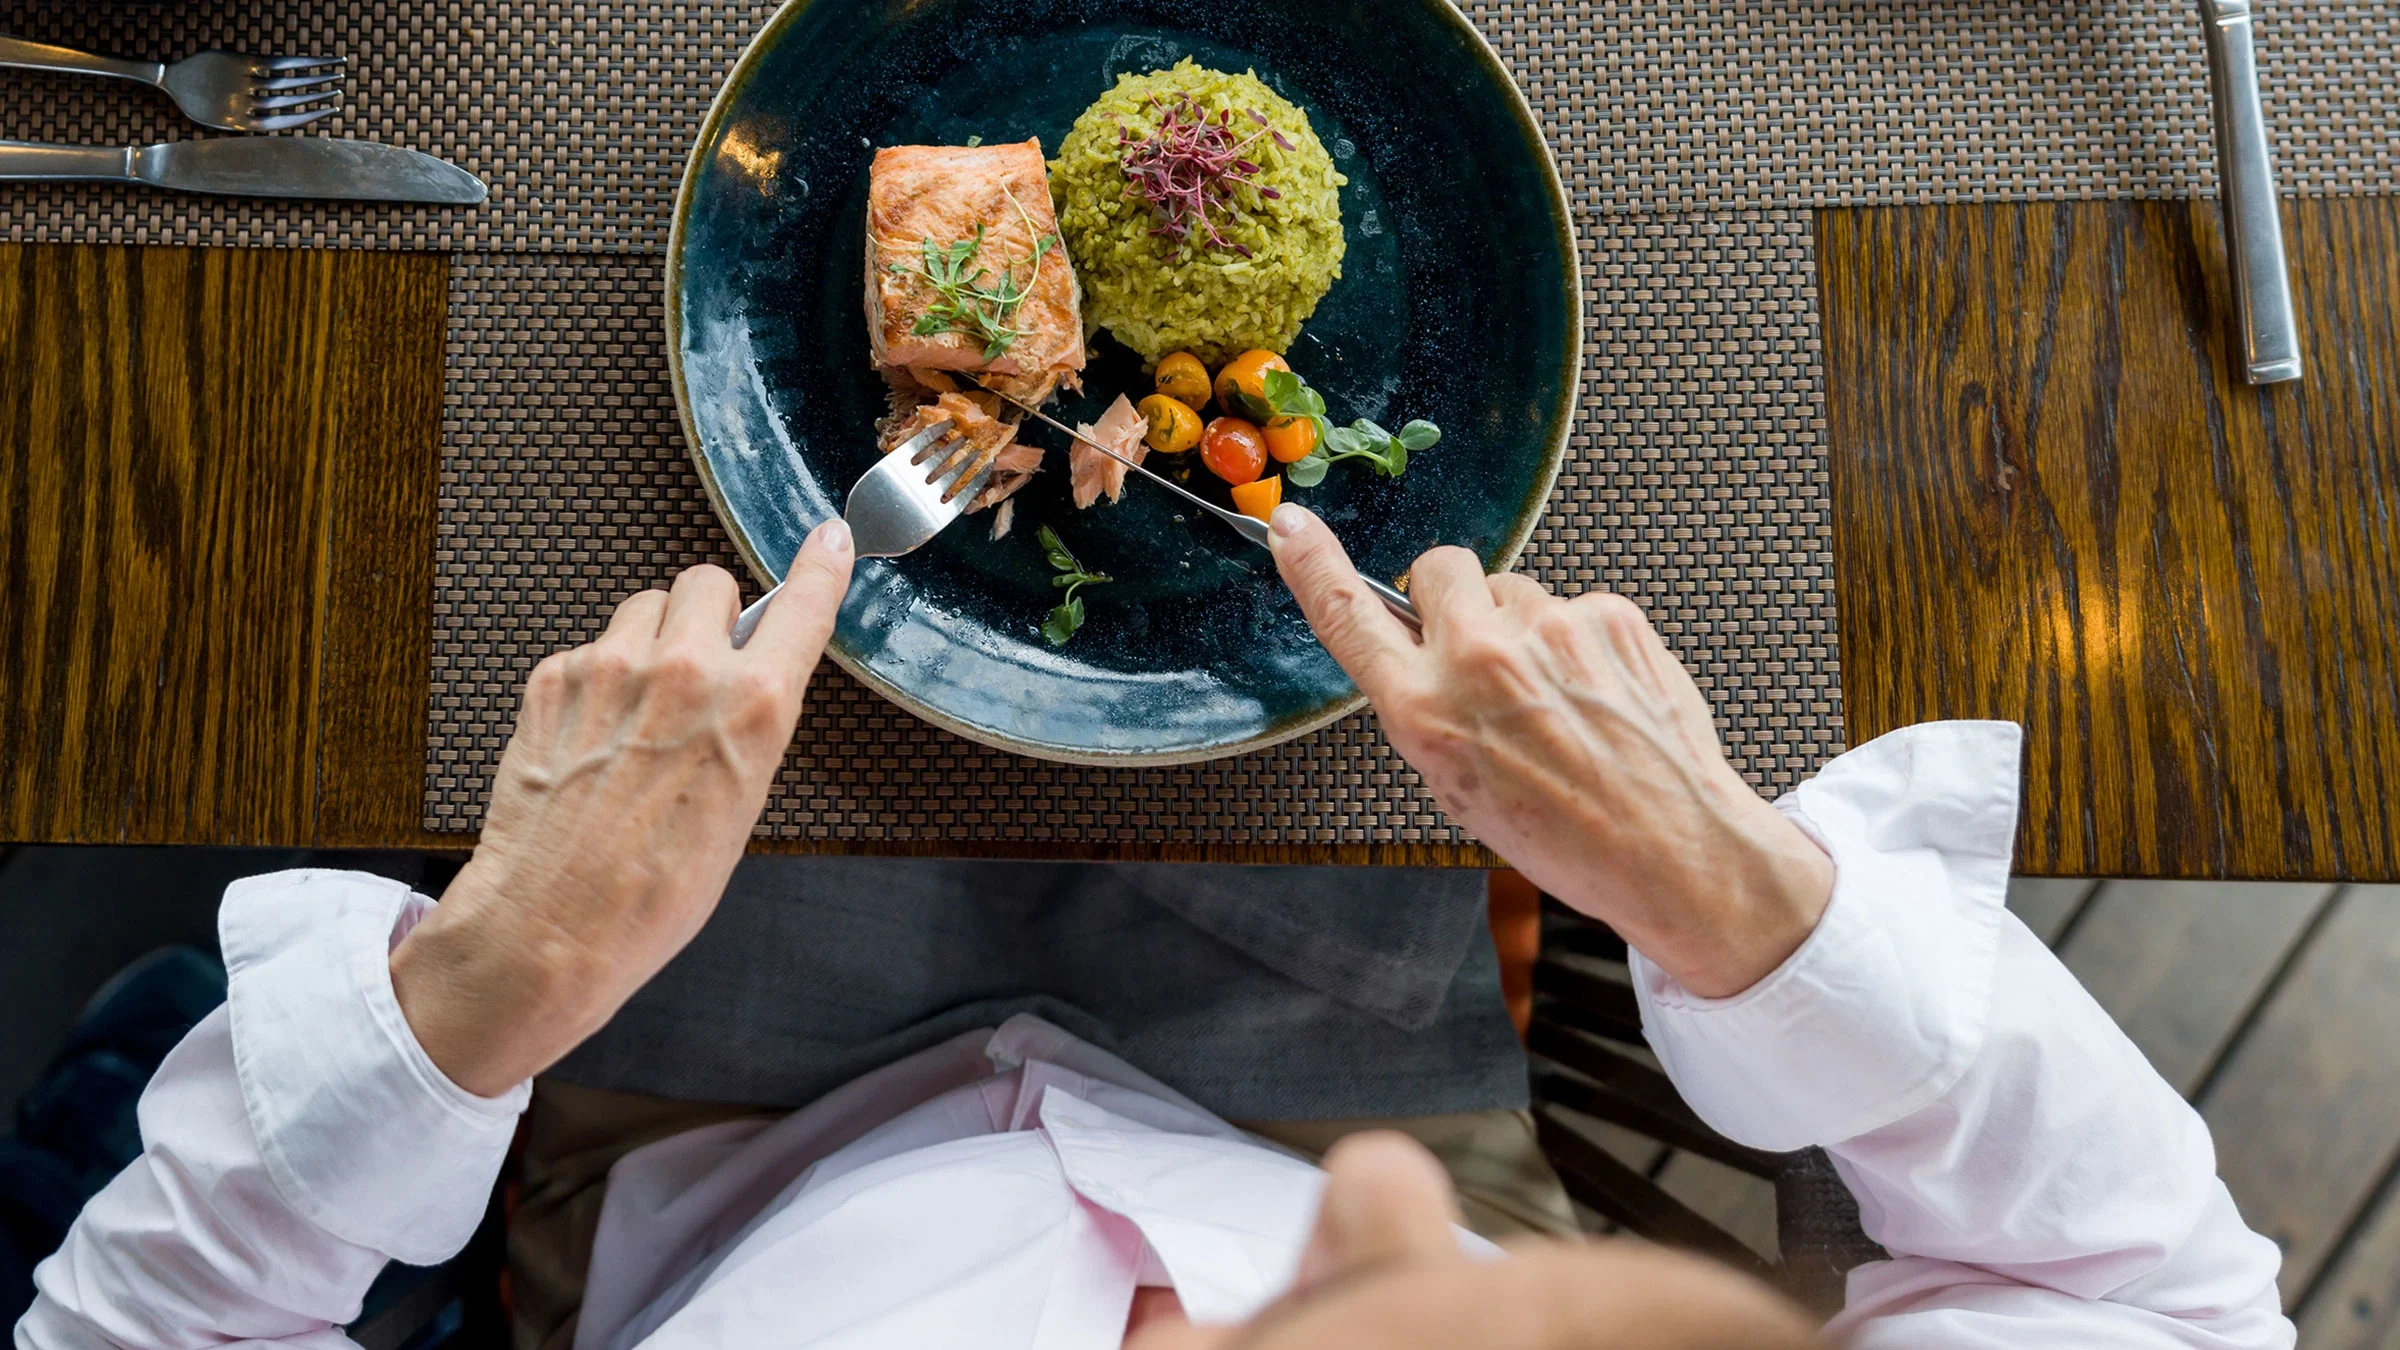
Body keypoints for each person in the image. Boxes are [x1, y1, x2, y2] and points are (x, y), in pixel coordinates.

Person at [15, 505, 2294, 1350]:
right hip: (1300, 1063)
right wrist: (1754, 900)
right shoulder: (1376, 1167)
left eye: (1360, 1293)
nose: (1390, 1213)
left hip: (678, 1140)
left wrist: (481, 992)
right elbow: (2160, 1305)